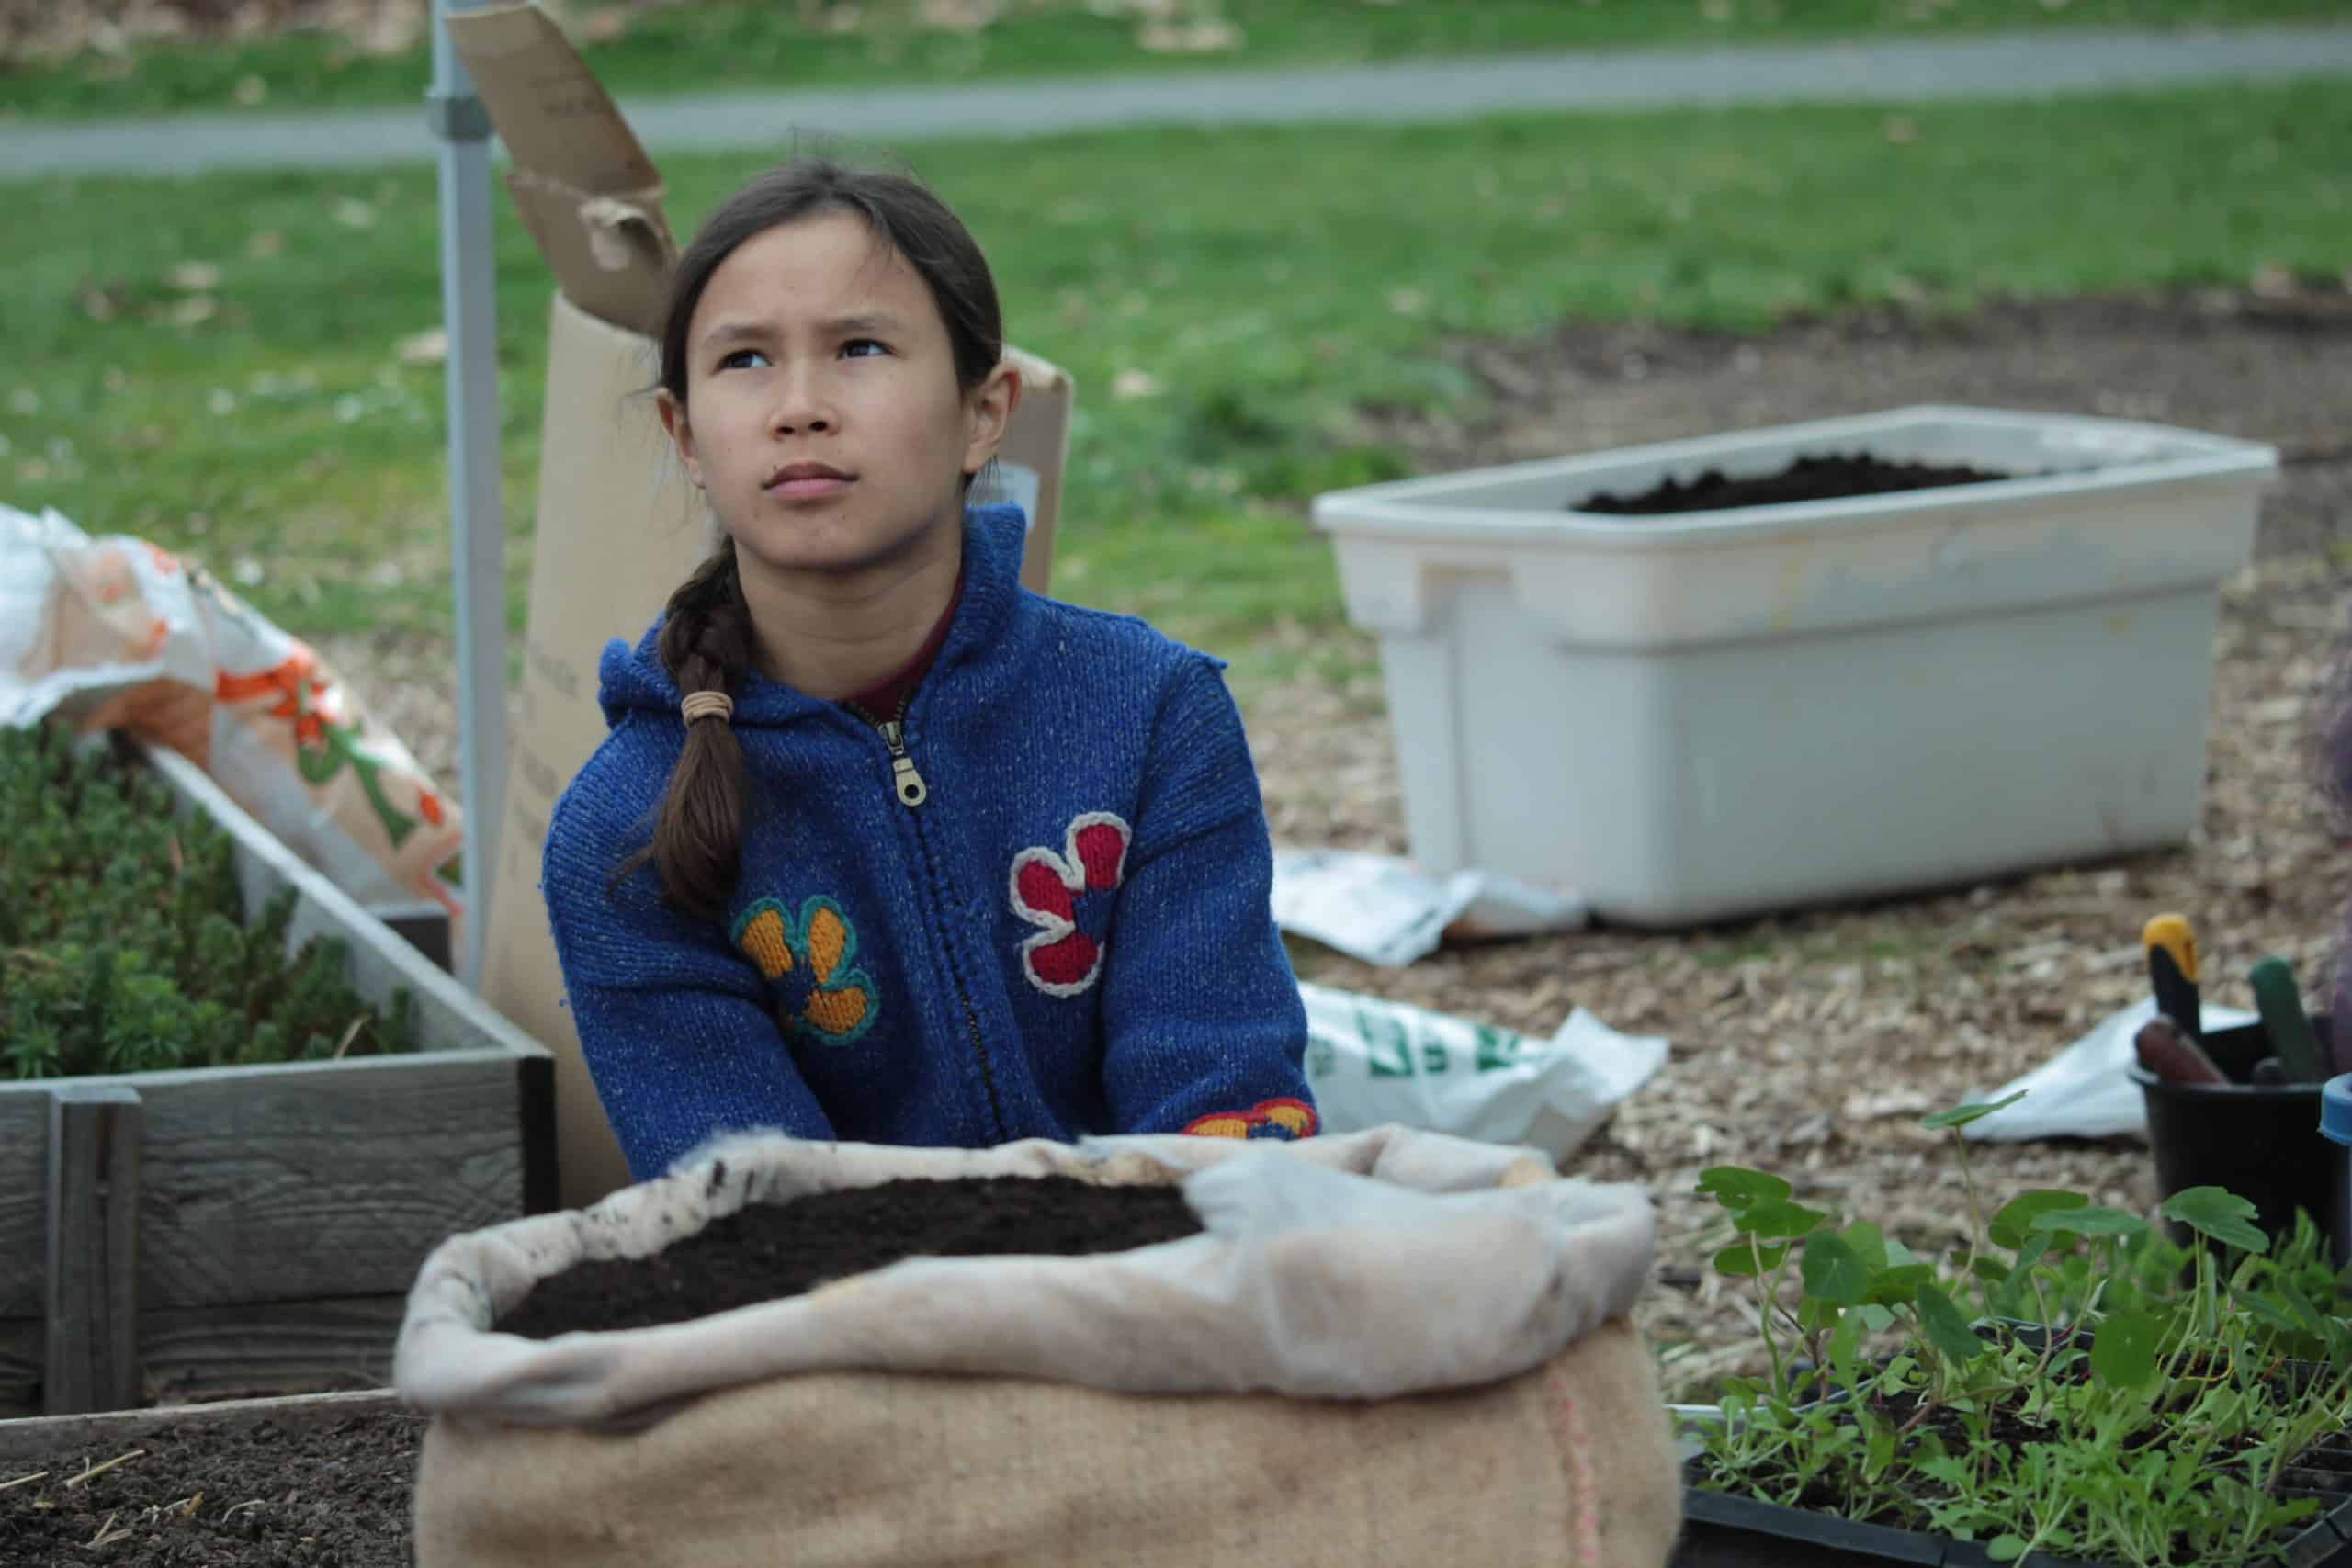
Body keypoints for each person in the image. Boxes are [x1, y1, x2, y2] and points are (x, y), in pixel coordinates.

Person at [540, 157, 1317, 1181]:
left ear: (984, 412)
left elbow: (1225, 1127)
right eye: (745, 362)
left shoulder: (1150, 713)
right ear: (684, 435)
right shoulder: (624, 834)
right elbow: (761, 1226)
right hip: (845, 1328)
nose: (800, 407)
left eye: (859, 347)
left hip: (1165, 1303)